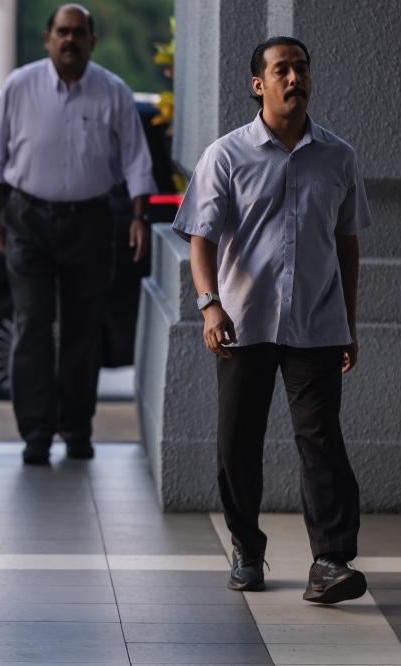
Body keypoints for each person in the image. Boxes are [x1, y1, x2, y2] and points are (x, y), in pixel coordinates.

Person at [173, 36, 370, 604]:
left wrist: (349, 324)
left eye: (301, 69)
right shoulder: (226, 155)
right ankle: (247, 549)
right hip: (243, 322)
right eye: (281, 70)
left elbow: (347, 244)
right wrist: (210, 306)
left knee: (321, 440)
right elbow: (201, 241)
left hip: (316, 322)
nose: (294, 78)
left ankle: (330, 559)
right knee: (239, 440)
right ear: (258, 84)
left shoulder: (339, 157)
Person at [0, 3, 156, 464]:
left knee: (83, 329)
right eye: (62, 32)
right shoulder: (20, 85)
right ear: (48, 38)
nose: (70, 40)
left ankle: (77, 430)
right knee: (33, 323)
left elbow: (137, 161)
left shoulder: (113, 92)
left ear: (92, 41)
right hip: (27, 219)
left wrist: (138, 217)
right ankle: (36, 433)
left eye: (79, 33)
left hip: (91, 220)